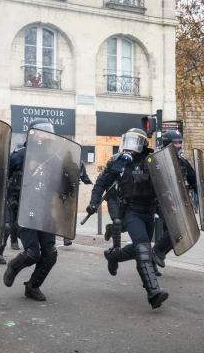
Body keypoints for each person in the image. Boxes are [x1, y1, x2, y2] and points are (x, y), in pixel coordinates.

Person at [87, 128, 168, 309]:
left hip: (149, 211)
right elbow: (101, 182)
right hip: (131, 212)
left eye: (135, 143)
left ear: (143, 145)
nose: (130, 147)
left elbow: (167, 184)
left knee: (139, 248)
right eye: (128, 142)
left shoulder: (152, 161)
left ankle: (113, 255)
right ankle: (153, 293)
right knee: (143, 248)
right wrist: (93, 202)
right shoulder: (118, 162)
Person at [3, 118, 58, 301]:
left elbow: (62, 186)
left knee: (50, 254)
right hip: (24, 211)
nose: (46, 136)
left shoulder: (54, 158)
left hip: (45, 211)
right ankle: (14, 266)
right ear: (33, 134)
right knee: (33, 253)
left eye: (48, 132)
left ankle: (33, 287)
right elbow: (2, 180)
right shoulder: (18, 157)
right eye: (42, 132)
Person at [152, 130, 197, 269]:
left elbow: (193, 178)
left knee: (178, 234)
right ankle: (157, 251)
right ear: (168, 143)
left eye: (180, 142)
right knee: (175, 231)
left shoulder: (182, 161)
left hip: (177, 203)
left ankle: (154, 258)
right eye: (176, 142)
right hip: (161, 202)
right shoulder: (157, 159)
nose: (179, 145)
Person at [64, 161, 93, 246]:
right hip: (57, 190)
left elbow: (83, 174)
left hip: (70, 191)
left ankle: (67, 236)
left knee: (68, 214)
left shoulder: (78, 163)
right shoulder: (58, 160)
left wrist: (87, 180)